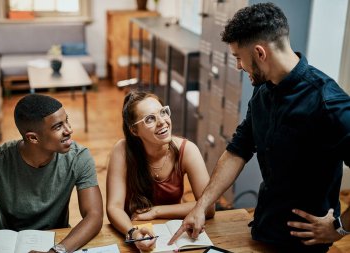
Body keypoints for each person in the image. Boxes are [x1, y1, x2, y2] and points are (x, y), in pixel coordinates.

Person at [168, 2, 350, 253]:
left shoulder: (329, 103)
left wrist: (340, 227)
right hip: (264, 227)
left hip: (305, 243)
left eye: (238, 58)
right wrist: (200, 206)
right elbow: (238, 150)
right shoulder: (263, 92)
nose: (238, 66)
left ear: (260, 52)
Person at [0, 94, 104, 253]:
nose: (69, 130)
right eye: (58, 126)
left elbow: (94, 216)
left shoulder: (79, 157)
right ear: (33, 138)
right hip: (5, 244)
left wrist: (57, 251)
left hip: (57, 240)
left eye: (66, 120)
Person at [106, 90, 215, 252]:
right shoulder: (122, 150)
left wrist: (156, 211)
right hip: (135, 231)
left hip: (175, 232)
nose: (162, 122)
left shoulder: (188, 150)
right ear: (134, 130)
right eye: (150, 119)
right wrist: (133, 233)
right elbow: (114, 207)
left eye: (163, 112)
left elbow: (209, 207)